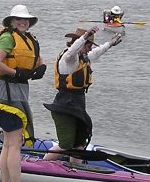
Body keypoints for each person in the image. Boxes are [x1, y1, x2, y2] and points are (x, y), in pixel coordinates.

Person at [0, 4, 47, 182]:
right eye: (19, 19)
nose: (23, 22)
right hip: (6, 96)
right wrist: (16, 73)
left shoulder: (28, 39)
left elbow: (38, 60)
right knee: (15, 144)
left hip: (17, 95)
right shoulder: (7, 37)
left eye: (26, 19)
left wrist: (41, 68)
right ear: (12, 21)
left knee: (8, 143)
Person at [43, 25, 123, 164]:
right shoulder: (68, 60)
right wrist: (84, 37)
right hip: (64, 107)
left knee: (79, 144)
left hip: (78, 106)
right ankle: (40, 165)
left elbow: (97, 52)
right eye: (88, 45)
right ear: (80, 43)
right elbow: (72, 51)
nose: (90, 49)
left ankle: (75, 170)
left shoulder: (83, 58)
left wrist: (110, 44)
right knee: (66, 144)